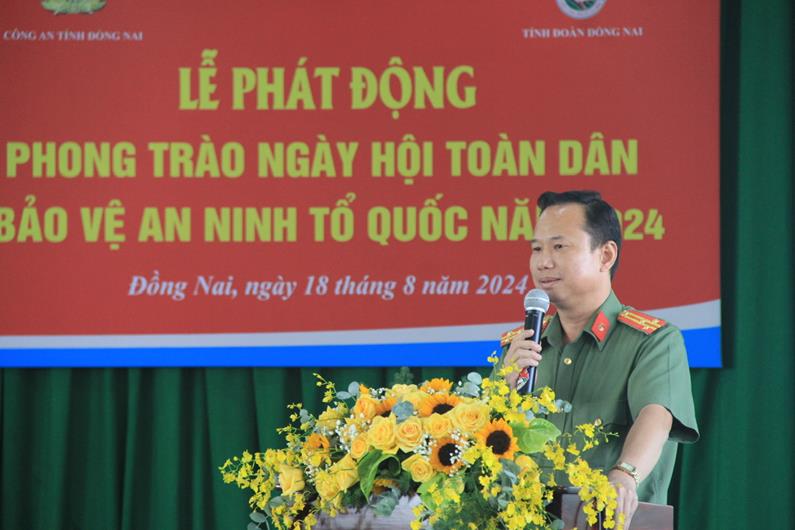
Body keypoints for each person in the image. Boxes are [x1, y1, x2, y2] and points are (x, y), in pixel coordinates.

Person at [499, 190, 699, 525]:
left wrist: (624, 475)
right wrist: (502, 393)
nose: (543, 262)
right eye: (537, 249)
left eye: (559, 247)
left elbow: (656, 416)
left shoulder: (653, 342)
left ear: (605, 255)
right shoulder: (519, 347)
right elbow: (487, 443)